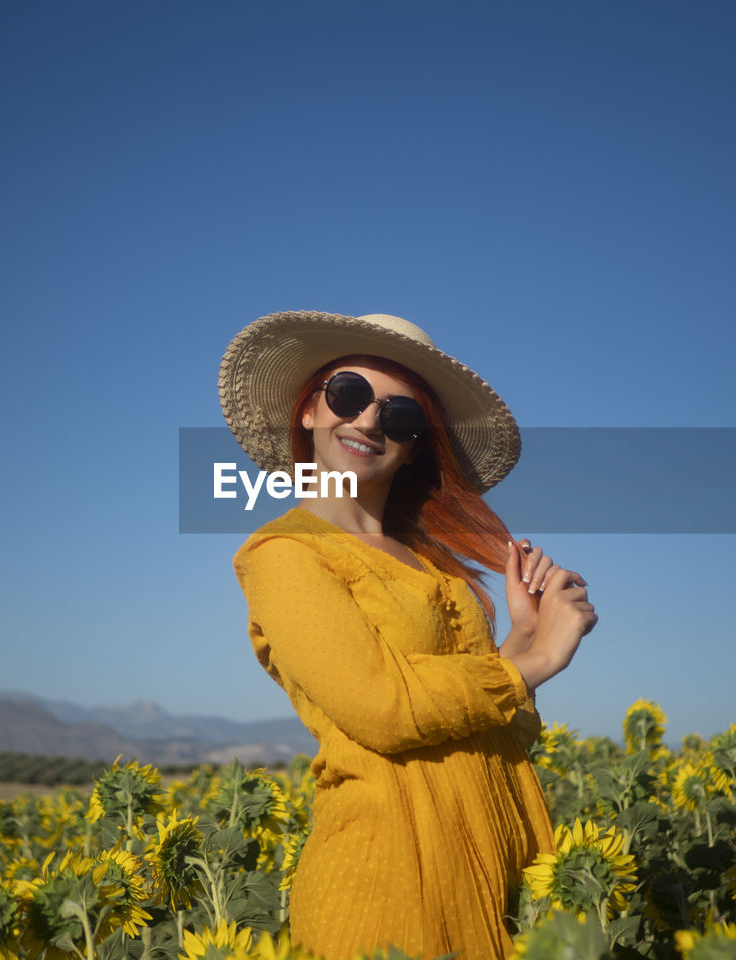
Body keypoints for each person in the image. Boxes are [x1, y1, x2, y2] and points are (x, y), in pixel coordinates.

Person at [219, 311, 597, 959]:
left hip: (496, 881)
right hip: (390, 887)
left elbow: (486, 727)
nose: (368, 420)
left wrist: (520, 636)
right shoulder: (285, 553)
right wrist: (535, 662)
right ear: (309, 410)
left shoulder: (436, 565)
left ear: (417, 443)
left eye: (400, 416)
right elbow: (384, 708)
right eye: (348, 395)